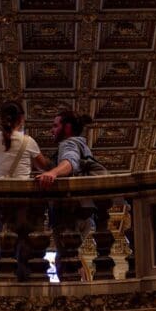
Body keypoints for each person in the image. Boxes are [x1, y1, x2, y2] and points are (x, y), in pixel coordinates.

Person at [0, 101, 48, 281]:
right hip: (22, 204)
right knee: (24, 247)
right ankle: (23, 287)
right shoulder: (28, 142)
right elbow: (44, 167)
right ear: (21, 119)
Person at [35, 110, 97, 280]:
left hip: (69, 214)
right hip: (82, 213)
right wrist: (35, 155)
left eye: (55, 126)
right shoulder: (80, 143)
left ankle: (72, 298)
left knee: (65, 259)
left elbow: (70, 162)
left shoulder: (68, 143)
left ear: (67, 127)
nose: (51, 130)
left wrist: (53, 173)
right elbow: (56, 163)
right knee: (68, 256)